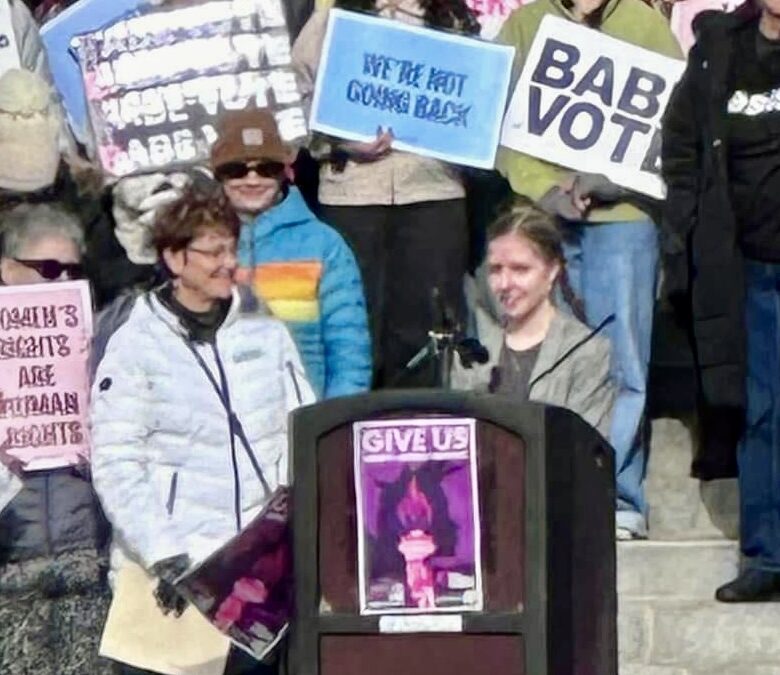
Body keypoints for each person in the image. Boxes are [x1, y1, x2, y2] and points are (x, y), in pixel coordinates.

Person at [90, 186, 315, 674]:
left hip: (255, 581)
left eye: (232, 249)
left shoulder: (266, 329)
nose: (227, 262)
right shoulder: (135, 345)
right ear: (174, 258)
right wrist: (163, 553)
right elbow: (116, 460)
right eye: (213, 251)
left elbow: (303, 428)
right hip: (176, 575)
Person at [495, 0, 682, 538]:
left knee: (624, 360)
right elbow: (500, 122)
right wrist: (545, 190)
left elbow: (672, 126)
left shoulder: (646, 26)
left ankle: (620, 497)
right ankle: (550, 492)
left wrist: (615, 182)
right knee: (547, 356)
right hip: (543, 220)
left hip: (623, 219)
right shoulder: (525, 24)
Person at [292, 0, 479, 388]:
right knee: (356, 325)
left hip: (434, 194)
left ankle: (419, 430)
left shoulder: (452, 18)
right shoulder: (335, 16)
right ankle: (352, 432)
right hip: (352, 197)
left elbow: (480, 93)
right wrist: (338, 139)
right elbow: (296, 96)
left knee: (427, 329)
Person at [662, 0, 780, 602]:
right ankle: (767, 556)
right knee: (760, 413)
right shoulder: (718, 50)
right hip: (748, 270)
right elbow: (680, 140)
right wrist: (688, 217)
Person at [0, 203, 113, 675]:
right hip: (9, 565)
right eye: (48, 269)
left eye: (71, 270)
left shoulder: (104, 339)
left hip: (84, 562)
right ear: (5, 269)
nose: (61, 281)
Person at [211, 108, 371, 399]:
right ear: (218, 174)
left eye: (267, 169)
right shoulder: (197, 245)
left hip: (303, 421)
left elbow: (349, 349)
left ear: (285, 173)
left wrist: (333, 423)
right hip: (219, 423)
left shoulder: (324, 244)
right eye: (236, 170)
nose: (252, 180)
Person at [451, 199, 615, 438]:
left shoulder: (587, 352)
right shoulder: (472, 351)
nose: (505, 284)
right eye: (496, 270)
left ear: (552, 271)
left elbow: (586, 454)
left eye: (520, 269)